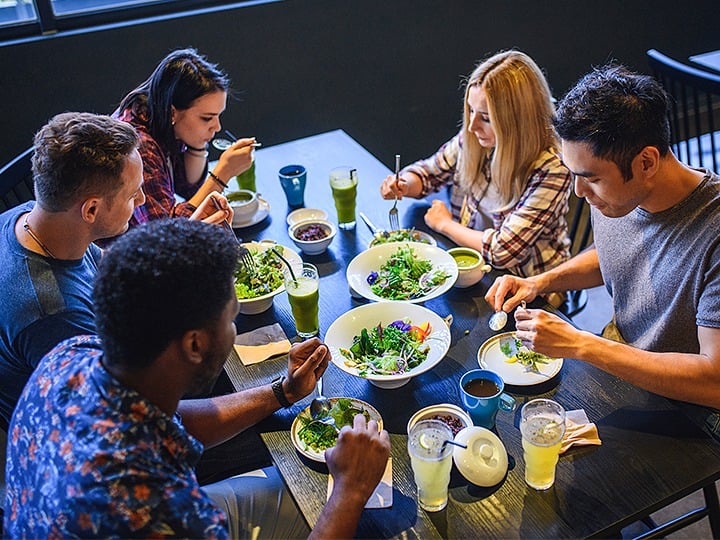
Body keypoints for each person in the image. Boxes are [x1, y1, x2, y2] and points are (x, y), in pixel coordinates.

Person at [4, 219, 391, 538]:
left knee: (305, 492)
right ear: (194, 343)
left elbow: (169, 421)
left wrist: (283, 392)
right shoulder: (161, 509)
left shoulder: (72, 355)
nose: (233, 328)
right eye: (230, 316)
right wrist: (351, 491)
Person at [485, 64, 720, 436]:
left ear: (646, 163)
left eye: (591, 178)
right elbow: (619, 252)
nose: (580, 193)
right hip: (620, 356)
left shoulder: (713, 232)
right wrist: (541, 282)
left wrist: (582, 343)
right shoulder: (621, 198)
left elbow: (714, 383)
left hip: (689, 411)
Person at [0, 112, 146, 428]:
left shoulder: (30, 217)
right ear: (91, 209)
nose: (143, 199)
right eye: (133, 194)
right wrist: (278, 393)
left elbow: (102, 266)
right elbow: (125, 421)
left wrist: (183, 237)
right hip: (71, 434)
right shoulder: (54, 315)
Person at [380, 50, 572, 278]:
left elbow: (503, 251)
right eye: (471, 110)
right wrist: (404, 183)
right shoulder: (476, 139)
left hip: (530, 283)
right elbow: (430, 173)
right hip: (473, 262)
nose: (472, 126)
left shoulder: (553, 168)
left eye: (486, 118)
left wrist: (444, 224)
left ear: (519, 121)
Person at [114, 48, 255, 228]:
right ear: (173, 111)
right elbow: (166, 232)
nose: (217, 127)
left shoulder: (161, 117)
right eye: (206, 118)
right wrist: (222, 174)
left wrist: (199, 144)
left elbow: (188, 189)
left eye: (218, 116)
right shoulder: (140, 147)